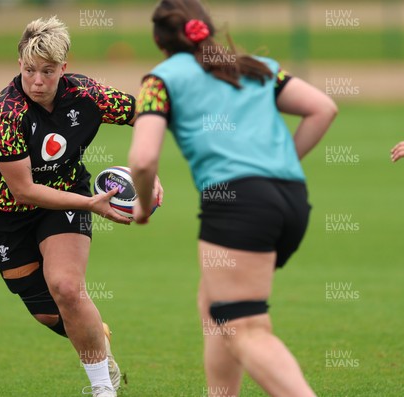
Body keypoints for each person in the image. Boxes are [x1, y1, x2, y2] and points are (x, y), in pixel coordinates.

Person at [128, 1, 337, 396]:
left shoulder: (159, 80)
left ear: (158, 39)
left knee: (246, 330)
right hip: (291, 199)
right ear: (205, 28)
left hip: (238, 204)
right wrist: (281, 163)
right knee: (215, 305)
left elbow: (142, 159)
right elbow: (323, 108)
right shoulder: (255, 66)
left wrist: (142, 206)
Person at [0, 16, 162, 397]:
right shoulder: (3, 114)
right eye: (29, 71)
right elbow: (23, 190)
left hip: (65, 196)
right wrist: (92, 203)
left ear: (64, 67)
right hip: (5, 210)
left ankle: (103, 388)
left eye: (47, 71)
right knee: (49, 313)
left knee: (67, 288)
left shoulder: (86, 94)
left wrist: (147, 170)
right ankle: (97, 338)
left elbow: (146, 113)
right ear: (19, 65)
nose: (37, 81)